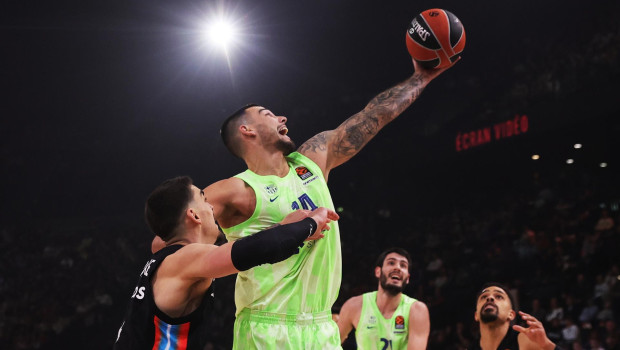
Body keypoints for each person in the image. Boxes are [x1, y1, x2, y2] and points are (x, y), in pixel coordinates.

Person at [204, 57, 457, 349]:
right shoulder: (234, 191)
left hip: (322, 328)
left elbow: (373, 115)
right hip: (267, 327)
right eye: (269, 114)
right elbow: (170, 245)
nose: (282, 118)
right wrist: (273, 237)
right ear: (247, 130)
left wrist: (421, 77)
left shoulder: (313, 159)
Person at [114, 176, 339, 349]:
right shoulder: (183, 259)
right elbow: (251, 251)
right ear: (194, 215)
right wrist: (312, 221)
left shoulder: (174, 258)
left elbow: (235, 250)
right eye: (204, 198)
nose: (212, 207)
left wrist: (283, 228)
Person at [336, 248, 430, 350]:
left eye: (403, 265)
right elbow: (331, 344)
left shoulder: (417, 310)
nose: (397, 268)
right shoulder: (354, 306)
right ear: (378, 272)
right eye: (391, 263)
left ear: (407, 278)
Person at [472, 282, 556, 350]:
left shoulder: (524, 341)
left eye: (499, 296)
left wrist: (547, 345)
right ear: (476, 315)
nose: (489, 298)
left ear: (511, 314)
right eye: (483, 297)